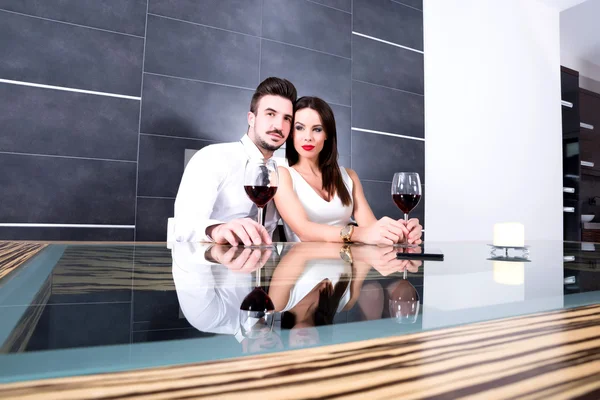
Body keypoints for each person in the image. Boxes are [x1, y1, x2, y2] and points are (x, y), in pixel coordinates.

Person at [273, 96, 423, 245]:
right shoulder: (283, 175)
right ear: (291, 133)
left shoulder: (348, 176)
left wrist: (399, 233)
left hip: (348, 265)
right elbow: (304, 231)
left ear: (327, 134)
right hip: (304, 265)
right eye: (299, 128)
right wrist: (359, 233)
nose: (308, 137)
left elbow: (370, 228)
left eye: (317, 129)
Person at [173, 77, 297, 246]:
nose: (278, 125)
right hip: (214, 266)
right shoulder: (211, 157)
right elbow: (183, 226)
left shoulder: (284, 173)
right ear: (251, 119)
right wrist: (216, 230)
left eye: (287, 118)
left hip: (265, 267)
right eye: (270, 114)